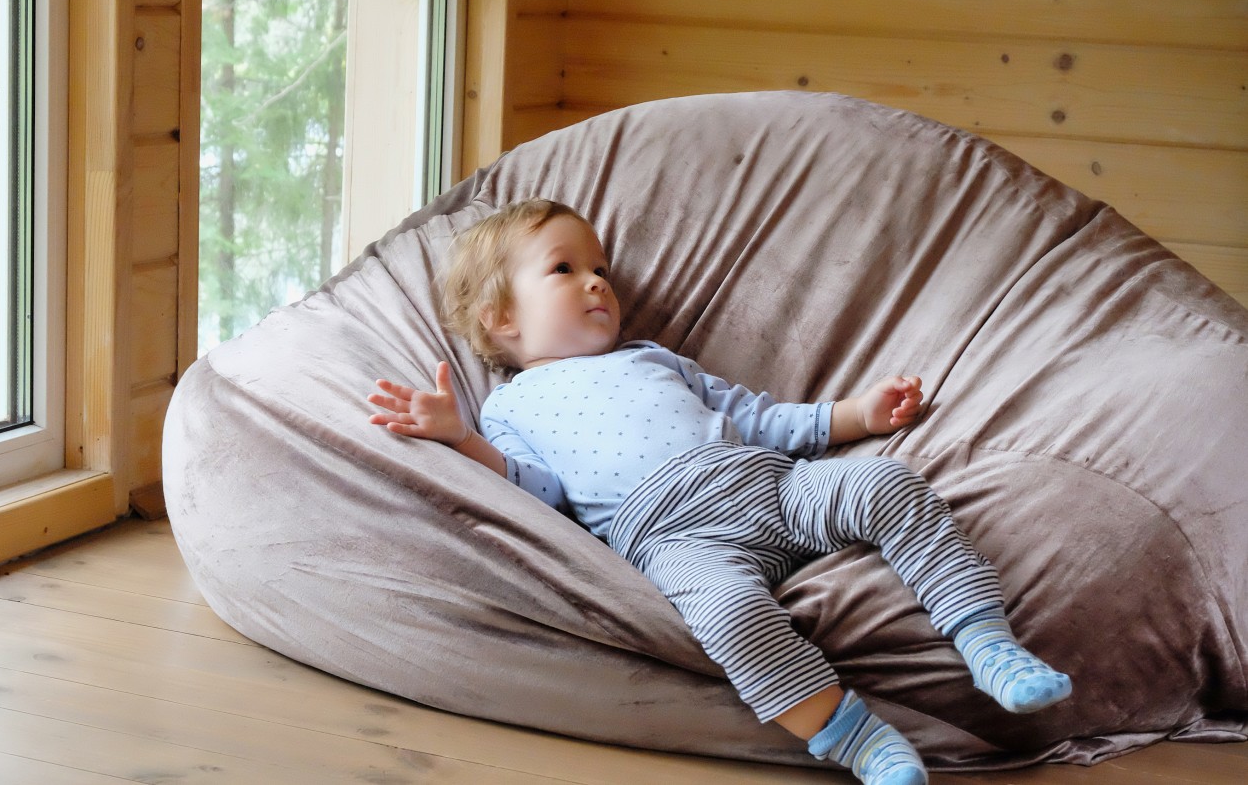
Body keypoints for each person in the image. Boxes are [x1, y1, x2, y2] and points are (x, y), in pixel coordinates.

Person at [367, 198, 1071, 785]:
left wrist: (858, 415)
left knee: (885, 480)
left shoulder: (651, 358)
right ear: (502, 319)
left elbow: (756, 415)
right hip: (675, 539)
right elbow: (537, 491)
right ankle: (853, 738)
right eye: (565, 269)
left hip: (768, 485)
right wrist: (459, 436)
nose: (597, 283)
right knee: (729, 619)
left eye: (601, 269)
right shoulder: (509, 409)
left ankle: (987, 644)